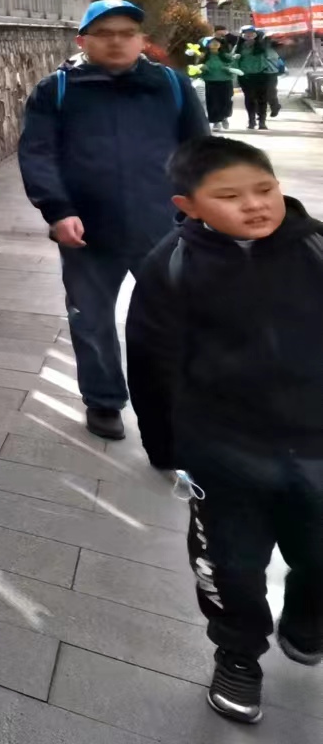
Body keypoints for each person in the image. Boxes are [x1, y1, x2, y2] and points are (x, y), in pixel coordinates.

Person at [127, 137, 323, 724]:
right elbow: (150, 360)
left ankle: (309, 616)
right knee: (230, 566)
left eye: (265, 189)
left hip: (317, 447)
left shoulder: (315, 249)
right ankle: (237, 654)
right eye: (230, 196)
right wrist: (166, 446)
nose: (255, 205)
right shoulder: (171, 267)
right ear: (188, 206)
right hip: (224, 455)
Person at [17, 0, 208, 442]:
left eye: (127, 33)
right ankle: (103, 400)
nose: (117, 42)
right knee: (90, 317)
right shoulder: (57, 90)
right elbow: (38, 154)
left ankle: (171, 402)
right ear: (82, 41)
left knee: (171, 319)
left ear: (142, 40)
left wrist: (199, 209)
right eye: (104, 34)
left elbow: (200, 149)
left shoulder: (171, 86)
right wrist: (58, 210)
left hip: (163, 227)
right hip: (87, 230)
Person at [236, 27, 279, 131]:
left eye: (251, 33)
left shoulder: (262, 45)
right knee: (249, 98)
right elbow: (233, 60)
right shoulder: (239, 47)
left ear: (256, 35)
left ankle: (262, 121)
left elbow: (272, 56)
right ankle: (251, 120)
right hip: (245, 76)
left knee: (262, 98)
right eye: (246, 33)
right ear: (242, 35)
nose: (249, 35)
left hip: (261, 75)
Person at [196, 36, 240, 130]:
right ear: (207, 45)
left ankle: (224, 117)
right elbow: (196, 70)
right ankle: (216, 122)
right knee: (213, 103)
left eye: (217, 42)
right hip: (210, 82)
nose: (215, 44)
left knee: (226, 101)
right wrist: (203, 69)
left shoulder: (225, 56)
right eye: (212, 42)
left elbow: (234, 66)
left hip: (225, 81)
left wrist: (229, 69)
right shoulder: (203, 57)